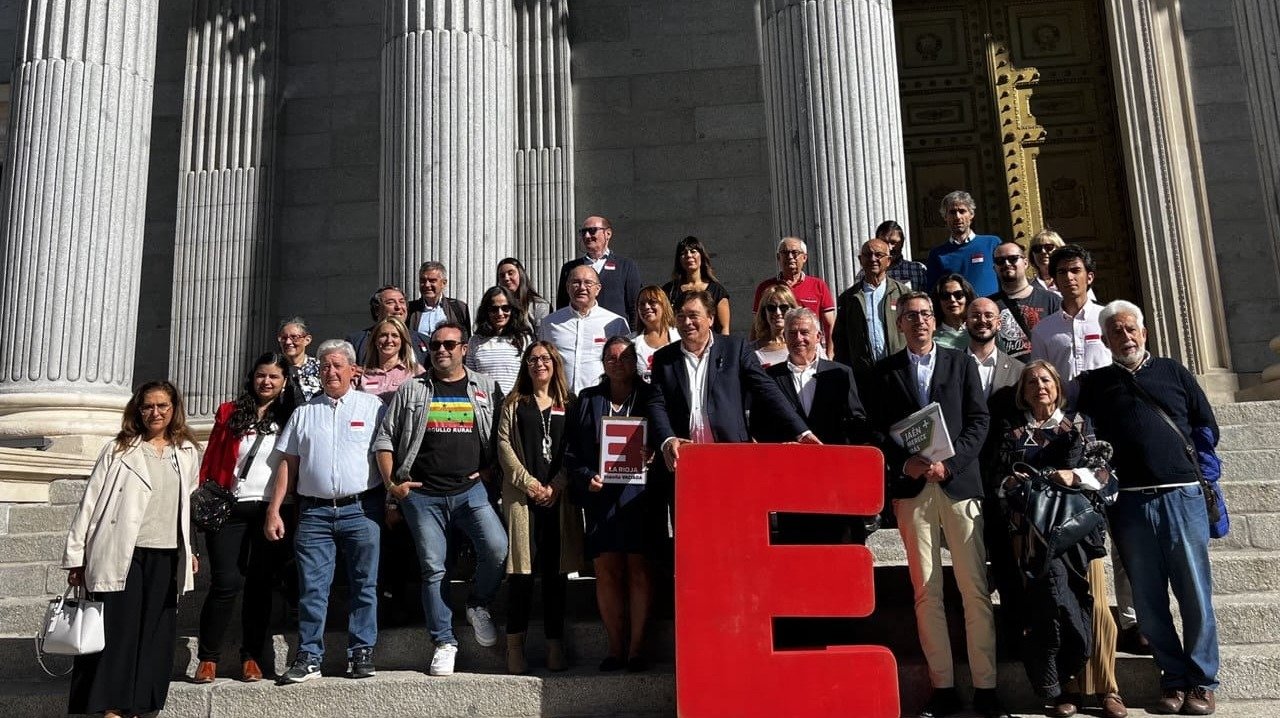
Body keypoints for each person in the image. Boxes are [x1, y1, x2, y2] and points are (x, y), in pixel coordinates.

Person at [1077, 300, 1221, 716]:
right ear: (1105, 340)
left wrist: (1200, 472)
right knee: (1147, 597)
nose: (1124, 337)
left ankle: (1202, 681)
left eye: (1130, 330)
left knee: (1194, 592)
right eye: (1115, 332)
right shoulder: (1095, 383)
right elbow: (1088, 439)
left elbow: (1205, 425)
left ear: (1144, 333)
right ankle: (1172, 679)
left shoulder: (1174, 371)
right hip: (1131, 503)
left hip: (1181, 495)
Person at [870, 291, 1008, 718]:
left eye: (926, 315)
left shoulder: (960, 361)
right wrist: (902, 462)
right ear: (900, 324)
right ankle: (942, 686)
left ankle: (986, 687)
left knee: (974, 590)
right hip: (913, 493)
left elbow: (979, 420)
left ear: (936, 320)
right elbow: (874, 429)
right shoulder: (884, 372)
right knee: (926, 592)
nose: (920, 322)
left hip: (958, 486)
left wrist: (951, 464)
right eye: (911, 316)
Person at [373, 322, 509, 678]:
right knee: (434, 568)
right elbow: (385, 439)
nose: (442, 350)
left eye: (450, 344)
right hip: (422, 496)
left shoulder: (485, 386)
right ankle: (444, 641)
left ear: (465, 347)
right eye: (435, 345)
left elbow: (501, 436)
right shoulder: (413, 388)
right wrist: (393, 486)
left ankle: (478, 604)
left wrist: (492, 468)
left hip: (471, 491)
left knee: (496, 548)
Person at [63, 381, 202, 717]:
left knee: (156, 630)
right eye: (148, 407)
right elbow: (90, 502)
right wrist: (76, 555)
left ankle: (143, 703)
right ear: (137, 410)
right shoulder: (119, 449)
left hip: (167, 552)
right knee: (119, 630)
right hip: (123, 551)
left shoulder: (186, 452)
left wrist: (192, 549)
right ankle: (111, 705)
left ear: (173, 409)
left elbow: (189, 505)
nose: (155, 413)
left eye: (162, 406)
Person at [996, 361, 1126, 718]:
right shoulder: (1013, 433)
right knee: (1052, 608)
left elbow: (1105, 473)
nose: (1040, 385)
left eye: (1046, 379)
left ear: (1058, 386)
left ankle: (1107, 688)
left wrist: (1073, 475)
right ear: (1023, 392)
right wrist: (1024, 487)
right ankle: (1067, 687)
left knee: (1094, 606)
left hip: (1080, 533)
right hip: (1035, 537)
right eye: (1032, 381)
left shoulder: (1080, 423)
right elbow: (1002, 482)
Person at [266, 340, 385, 683]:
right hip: (314, 513)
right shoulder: (305, 412)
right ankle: (309, 656)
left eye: (337, 365)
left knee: (365, 584)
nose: (330, 372)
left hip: (362, 509)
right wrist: (274, 510)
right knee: (313, 588)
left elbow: (386, 454)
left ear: (353, 370)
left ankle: (361, 651)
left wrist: (392, 499)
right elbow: (288, 464)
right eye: (324, 367)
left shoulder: (372, 406)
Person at [193, 353, 297, 683]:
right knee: (225, 583)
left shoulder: (291, 416)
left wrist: (278, 509)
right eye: (261, 376)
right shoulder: (229, 413)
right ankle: (208, 657)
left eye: (274, 377)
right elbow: (211, 460)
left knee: (260, 584)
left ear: (284, 383)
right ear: (252, 378)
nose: (266, 382)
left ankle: (251, 656)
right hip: (229, 507)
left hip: (270, 509)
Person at [565, 337, 663, 672]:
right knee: (606, 571)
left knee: (638, 569)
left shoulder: (651, 396)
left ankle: (636, 650)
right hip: (601, 496)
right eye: (610, 357)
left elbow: (666, 438)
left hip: (640, 498)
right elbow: (573, 453)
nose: (617, 363)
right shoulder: (589, 399)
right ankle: (614, 647)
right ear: (603, 362)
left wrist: (652, 454)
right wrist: (586, 476)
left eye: (624, 357)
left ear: (635, 360)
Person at [648, 291, 816, 475]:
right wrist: (667, 439)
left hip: (731, 456)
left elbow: (767, 390)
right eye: (681, 317)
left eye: (693, 316)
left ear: (711, 318)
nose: (687, 323)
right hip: (683, 461)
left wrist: (802, 432)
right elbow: (657, 403)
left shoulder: (735, 348)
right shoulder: (664, 358)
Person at [496, 341, 584, 674]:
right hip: (524, 499)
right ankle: (514, 646)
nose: (539, 364)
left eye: (545, 359)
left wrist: (557, 485)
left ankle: (554, 645)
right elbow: (503, 446)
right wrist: (530, 484)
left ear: (555, 364)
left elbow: (576, 447)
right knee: (520, 576)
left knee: (555, 575)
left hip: (558, 500)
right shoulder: (513, 403)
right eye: (532, 360)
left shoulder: (570, 404)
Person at [753, 308, 873, 543]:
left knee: (839, 547)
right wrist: (781, 446)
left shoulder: (840, 373)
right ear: (784, 337)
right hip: (790, 483)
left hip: (834, 482)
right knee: (796, 550)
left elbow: (858, 423)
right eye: (792, 333)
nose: (799, 339)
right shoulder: (769, 378)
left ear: (818, 336)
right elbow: (759, 426)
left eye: (805, 332)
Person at [966, 298, 1026, 642]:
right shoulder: (953, 364)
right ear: (966, 322)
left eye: (989, 315)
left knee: (1008, 558)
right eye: (976, 316)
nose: (983, 321)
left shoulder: (1018, 370)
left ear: (999, 323)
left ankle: (1014, 630)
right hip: (968, 473)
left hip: (1004, 477)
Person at [1030, 244, 1109, 393]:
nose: (1069, 277)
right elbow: (1040, 377)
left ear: (1089, 277)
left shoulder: (1109, 319)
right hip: (1065, 411)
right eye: (1062, 272)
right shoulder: (1043, 330)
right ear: (1055, 281)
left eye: (1075, 270)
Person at [539, 265, 630, 394]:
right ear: (567, 288)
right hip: (560, 397)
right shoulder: (550, 323)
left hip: (600, 397)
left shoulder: (616, 323)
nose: (582, 287)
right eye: (576, 282)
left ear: (597, 289)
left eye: (588, 283)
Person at [833, 238, 909, 377]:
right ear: (860, 260)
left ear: (889, 260)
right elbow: (840, 339)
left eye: (879, 255)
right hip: (863, 376)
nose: (873, 259)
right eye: (867, 255)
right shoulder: (849, 298)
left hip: (899, 372)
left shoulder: (904, 294)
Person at [752, 236, 837, 357]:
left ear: (804, 257)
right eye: (785, 253)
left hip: (808, 348)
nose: (790, 257)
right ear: (778, 257)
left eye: (795, 253)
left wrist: (830, 354)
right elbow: (756, 324)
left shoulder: (818, 285)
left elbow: (830, 325)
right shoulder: (765, 287)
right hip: (774, 348)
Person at [555, 215, 642, 323]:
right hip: (578, 331)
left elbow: (635, 305)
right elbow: (562, 305)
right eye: (583, 232)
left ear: (608, 234)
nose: (587, 236)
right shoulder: (570, 268)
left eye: (592, 231)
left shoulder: (626, 266)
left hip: (614, 333)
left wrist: (631, 335)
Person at [989, 240, 1061, 360]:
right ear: (994, 268)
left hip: (1045, 374)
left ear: (1026, 263)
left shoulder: (1051, 300)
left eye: (1013, 258)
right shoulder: (989, 305)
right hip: (1008, 376)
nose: (1006, 264)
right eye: (1000, 261)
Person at [926, 190, 1001, 297]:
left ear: (971, 214)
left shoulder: (992, 244)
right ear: (945, 217)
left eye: (962, 211)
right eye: (952, 212)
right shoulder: (937, 254)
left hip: (992, 310)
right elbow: (933, 292)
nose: (957, 217)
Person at [467, 285, 534, 393]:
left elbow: (529, 376)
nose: (500, 313)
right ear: (486, 311)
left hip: (514, 404)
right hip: (485, 404)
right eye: (494, 309)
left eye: (505, 308)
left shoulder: (524, 340)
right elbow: (471, 378)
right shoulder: (475, 341)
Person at [661, 235, 731, 334]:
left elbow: (724, 328)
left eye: (693, 251)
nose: (688, 255)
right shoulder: (669, 290)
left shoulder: (717, 290)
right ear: (679, 260)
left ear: (701, 255)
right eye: (683, 253)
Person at [346, 284, 430, 365]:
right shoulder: (356, 342)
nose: (398, 307)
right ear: (377, 310)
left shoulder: (424, 341)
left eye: (402, 302)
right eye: (390, 302)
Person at [357, 316, 425, 403]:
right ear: (375, 340)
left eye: (395, 335)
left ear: (402, 341)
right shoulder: (361, 374)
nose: (389, 340)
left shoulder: (416, 371)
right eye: (383, 335)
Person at [408, 261, 471, 339]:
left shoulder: (458, 308)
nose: (427, 285)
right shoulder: (410, 309)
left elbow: (466, 339)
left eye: (432, 281)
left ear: (443, 283)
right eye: (423, 281)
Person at [631, 285, 680, 382]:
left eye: (652, 302)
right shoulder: (630, 342)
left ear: (664, 305)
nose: (647, 307)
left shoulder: (680, 337)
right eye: (641, 304)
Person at [750, 283, 800, 369]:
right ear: (764, 313)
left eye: (783, 307)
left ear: (792, 310)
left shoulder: (803, 343)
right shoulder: (752, 350)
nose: (778, 313)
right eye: (771, 308)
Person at [497, 257, 552, 331]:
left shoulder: (539, 305)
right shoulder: (495, 307)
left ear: (521, 275)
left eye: (511, 273)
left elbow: (542, 337)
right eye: (502, 276)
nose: (506, 278)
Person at [278, 317, 321, 405]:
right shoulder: (275, 367)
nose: (288, 342)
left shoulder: (319, 367)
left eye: (294, 337)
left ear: (307, 340)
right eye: (284, 338)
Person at [878, 219, 929, 290]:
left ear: (902, 242)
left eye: (893, 242)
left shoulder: (918, 270)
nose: (889, 248)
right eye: (884, 242)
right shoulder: (867, 274)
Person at [933, 273, 975, 350]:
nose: (952, 300)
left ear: (967, 297)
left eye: (958, 295)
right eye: (945, 295)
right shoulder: (931, 337)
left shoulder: (979, 330)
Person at [1029, 229, 1066, 294]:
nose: (1043, 251)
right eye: (1037, 249)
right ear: (1032, 255)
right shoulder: (1029, 288)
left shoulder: (1070, 281)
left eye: (1049, 247)